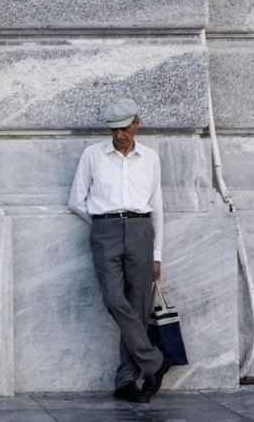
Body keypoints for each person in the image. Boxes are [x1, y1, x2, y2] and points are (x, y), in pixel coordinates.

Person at [68, 98, 172, 403]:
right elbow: (76, 200)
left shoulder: (150, 158)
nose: (118, 135)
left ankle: (126, 380)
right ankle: (155, 361)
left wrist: (157, 253)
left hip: (142, 231)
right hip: (106, 231)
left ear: (136, 123)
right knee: (114, 300)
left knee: (138, 307)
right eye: (113, 129)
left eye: (124, 128)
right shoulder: (93, 155)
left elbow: (158, 207)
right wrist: (104, 223)